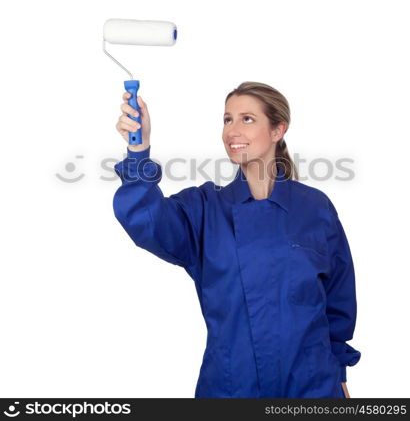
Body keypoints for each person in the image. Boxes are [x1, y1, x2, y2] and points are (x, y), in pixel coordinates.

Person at [113, 81, 361, 398]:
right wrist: (138, 150)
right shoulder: (204, 209)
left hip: (311, 387)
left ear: (277, 130)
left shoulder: (315, 208)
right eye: (227, 119)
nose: (232, 130)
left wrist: (339, 373)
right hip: (233, 389)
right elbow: (144, 219)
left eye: (247, 119)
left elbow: (337, 298)